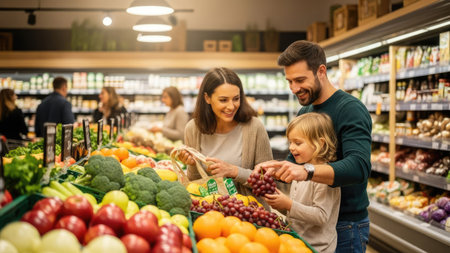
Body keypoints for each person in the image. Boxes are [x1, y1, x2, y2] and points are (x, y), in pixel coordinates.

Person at [254, 40, 372, 253]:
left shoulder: (350, 109)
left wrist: (306, 171)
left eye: (300, 80)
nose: (294, 88)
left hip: (345, 225)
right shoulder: (306, 110)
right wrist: (278, 169)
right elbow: (296, 164)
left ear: (321, 71)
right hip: (308, 224)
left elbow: (359, 167)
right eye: (289, 81)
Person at [178, 67, 273, 198]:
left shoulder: (254, 127)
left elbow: (267, 182)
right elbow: (195, 183)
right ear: (207, 98)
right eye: (223, 100)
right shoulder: (193, 128)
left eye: (236, 98)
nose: (231, 106)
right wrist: (192, 164)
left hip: (247, 212)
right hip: (209, 212)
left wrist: (234, 171)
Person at [263, 112, 340, 253]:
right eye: (290, 142)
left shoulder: (324, 177)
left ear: (320, 143)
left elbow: (321, 216)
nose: (291, 147)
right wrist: (279, 202)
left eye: (297, 143)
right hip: (297, 243)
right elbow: (297, 212)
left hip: (317, 248)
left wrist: (288, 204)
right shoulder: (301, 170)